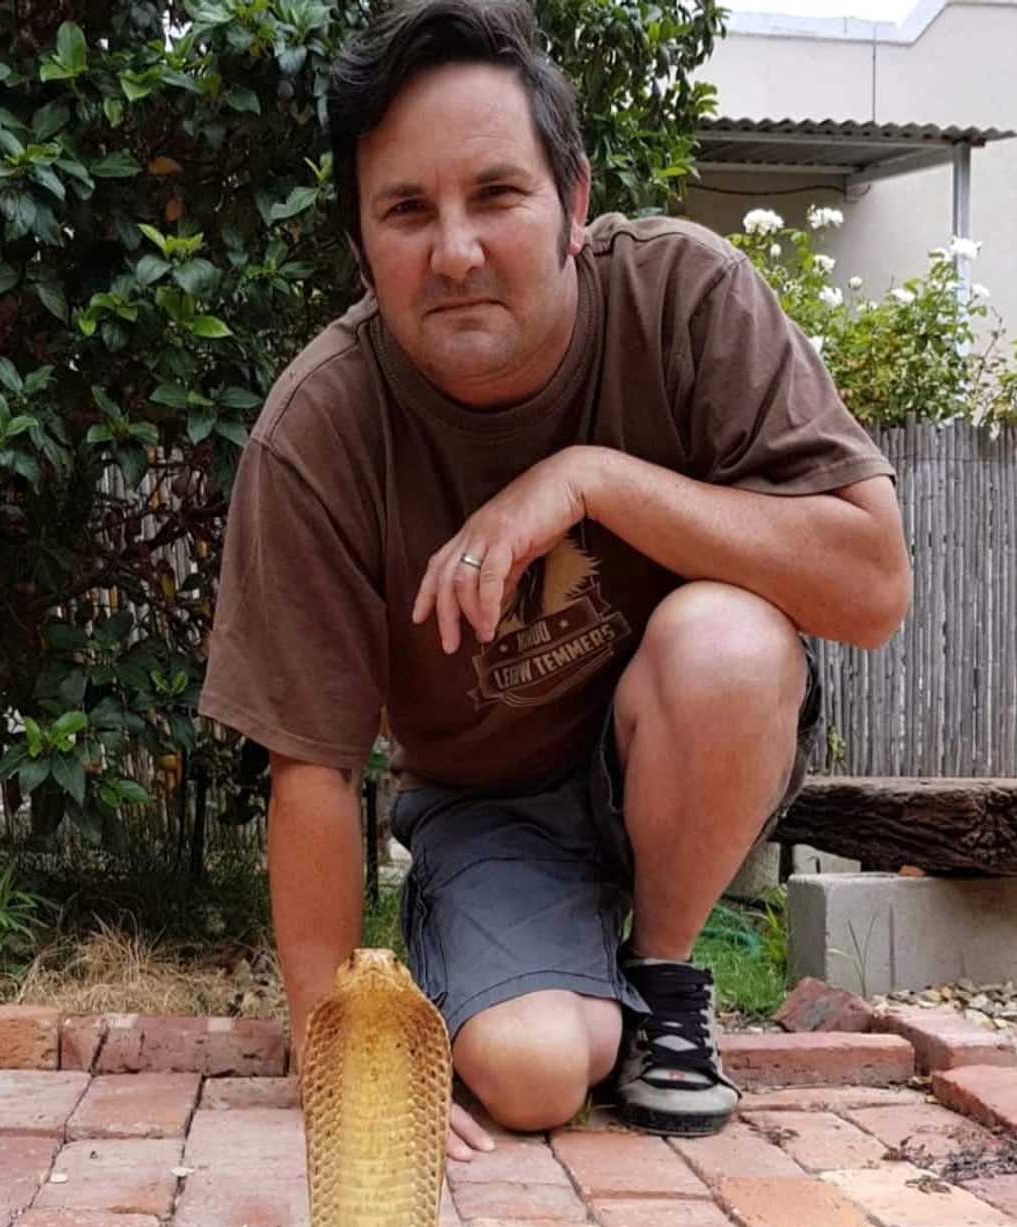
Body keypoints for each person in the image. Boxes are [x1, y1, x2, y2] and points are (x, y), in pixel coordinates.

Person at [199, 0, 911, 1161]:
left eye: (496, 195)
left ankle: (663, 983)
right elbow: (314, 769)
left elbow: (872, 586)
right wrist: (338, 1056)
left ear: (574, 201)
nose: (456, 251)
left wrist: (593, 481)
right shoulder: (319, 429)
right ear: (358, 242)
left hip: (686, 742)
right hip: (493, 807)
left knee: (726, 640)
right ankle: (534, 974)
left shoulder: (687, 299)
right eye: (406, 211)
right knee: (530, 1078)